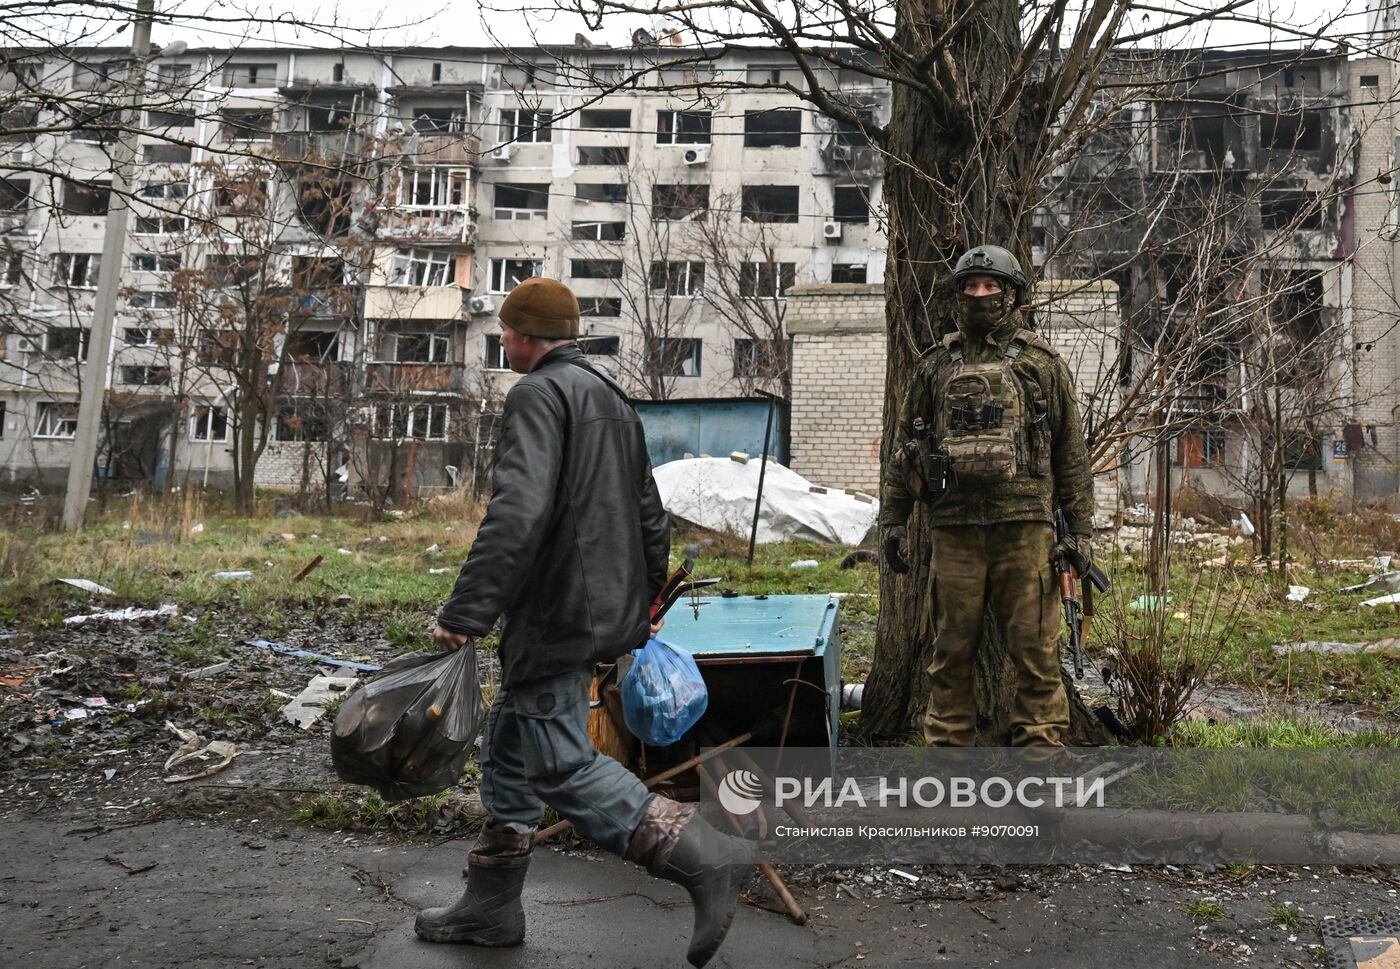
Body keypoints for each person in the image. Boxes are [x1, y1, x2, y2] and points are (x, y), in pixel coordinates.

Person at [418, 277, 755, 969]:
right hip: (596, 614)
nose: (502, 341)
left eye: (506, 332)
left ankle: (705, 855)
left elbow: (518, 511)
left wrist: (466, 611)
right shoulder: (609, 399)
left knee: (562, 763)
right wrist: (640, 605)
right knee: (511, 750)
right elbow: (650, 515)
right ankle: (490, 903)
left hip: (555, 615)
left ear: (524, 334)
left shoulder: (537, 395)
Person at [879, 245, 1094, 748]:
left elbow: (1071, 452)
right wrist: (892, 519)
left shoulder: (1041, 364)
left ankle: (1040, 774)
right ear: (957, 297)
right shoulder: (934, 366)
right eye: (970, 287)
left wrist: (1080, 533)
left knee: (1036, 656)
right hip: (954, 531)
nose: (980, 295)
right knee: (950, 655)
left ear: (1013, 294)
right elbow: (905, 448)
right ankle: (947, 773)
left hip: (1025, 529)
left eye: (991, 286)